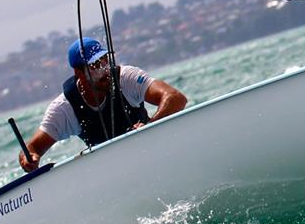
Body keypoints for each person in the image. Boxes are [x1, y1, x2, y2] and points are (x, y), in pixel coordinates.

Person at [19, 38, 187, 172]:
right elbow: (32, 148)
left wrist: (149, 126)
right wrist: (29, 158)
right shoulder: (65, 108)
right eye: (95, 65)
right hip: (114, 171)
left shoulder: (125, 77)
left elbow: (176, 98)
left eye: (105, 60)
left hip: (153, 153)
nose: (105, 69)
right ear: (79, 73)